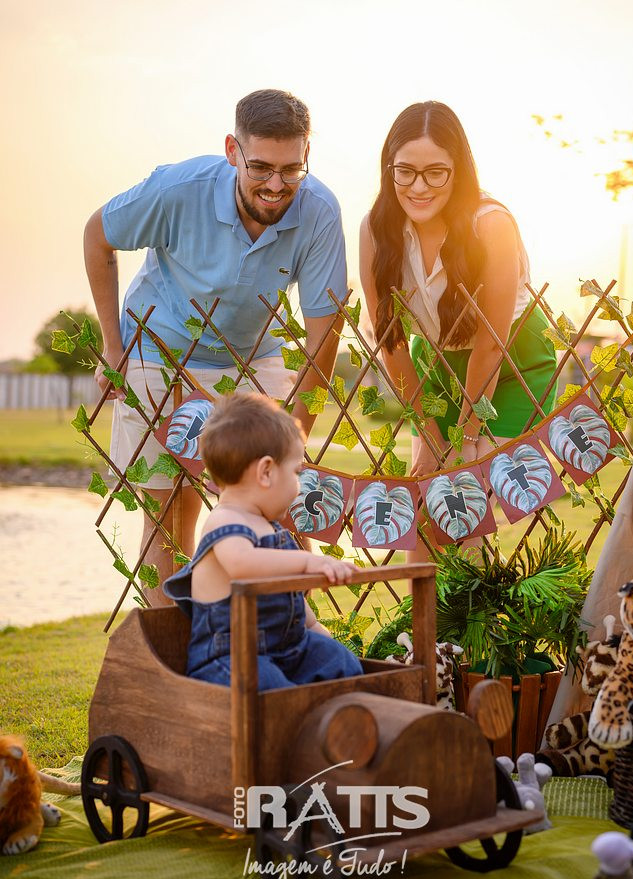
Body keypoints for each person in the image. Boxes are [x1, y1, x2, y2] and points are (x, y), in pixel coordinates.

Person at [84, 89, 348, 606]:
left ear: (307, 156)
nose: (276, 185)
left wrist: (294, 441)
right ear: (233, 150)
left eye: (291, 169)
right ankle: (173, 649)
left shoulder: (319, 210)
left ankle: (287, 640)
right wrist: (113, 347)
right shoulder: (177, 189)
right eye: (261, 167)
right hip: (160, 345)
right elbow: (98, 235)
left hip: (254, 352)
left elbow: (324, 333)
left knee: (282, 508)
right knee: (169, 513)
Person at [359, 101, 557, 477]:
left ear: (458, 171)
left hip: (511, 361)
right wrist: (430, 436)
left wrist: (466, 437)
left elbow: (492, 343)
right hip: (435, 365)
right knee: (430, 493)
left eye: (435, 172)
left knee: (473, 489)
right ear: (389, 169)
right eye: (405, 171)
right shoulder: (374, 230)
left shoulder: (492, 225)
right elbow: (392, 342)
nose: (419, 187)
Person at [162, 393, 364, 690]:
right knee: (270, 688)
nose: (299, 486)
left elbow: (292, 602)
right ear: (266, 472)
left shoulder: (270, 529)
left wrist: (319, 634)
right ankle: (296, 714)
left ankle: (339, 712)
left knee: (341, 662)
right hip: (231, 657)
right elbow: (243, 564)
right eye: (296, 472)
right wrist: (309, 561)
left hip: (287, 648)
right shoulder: (224, 519)